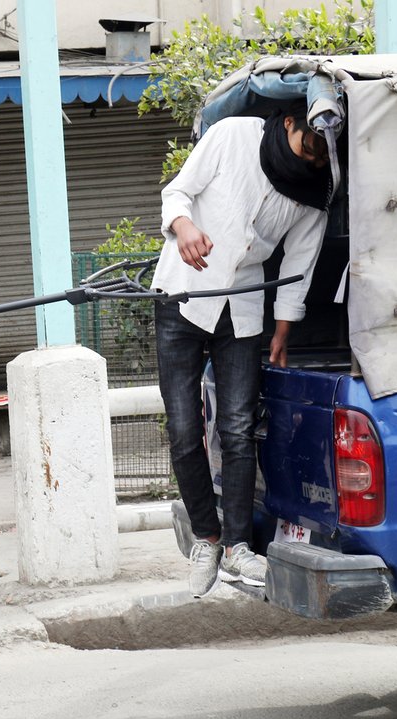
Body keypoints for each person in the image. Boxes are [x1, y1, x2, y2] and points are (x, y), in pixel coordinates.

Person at [152, 107, 331, 598]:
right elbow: (177, 192)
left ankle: (235, 546)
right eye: (309, 148)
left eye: (323, 156)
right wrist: (184, 227)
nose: (313, 162)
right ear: (290, 123)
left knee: (236, 428)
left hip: (244, 308)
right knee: (185, 430)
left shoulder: (316, 191)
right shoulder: (232, 136)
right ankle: (206, 538)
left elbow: (299, 264)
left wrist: (282, 330)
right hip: (183, 293)